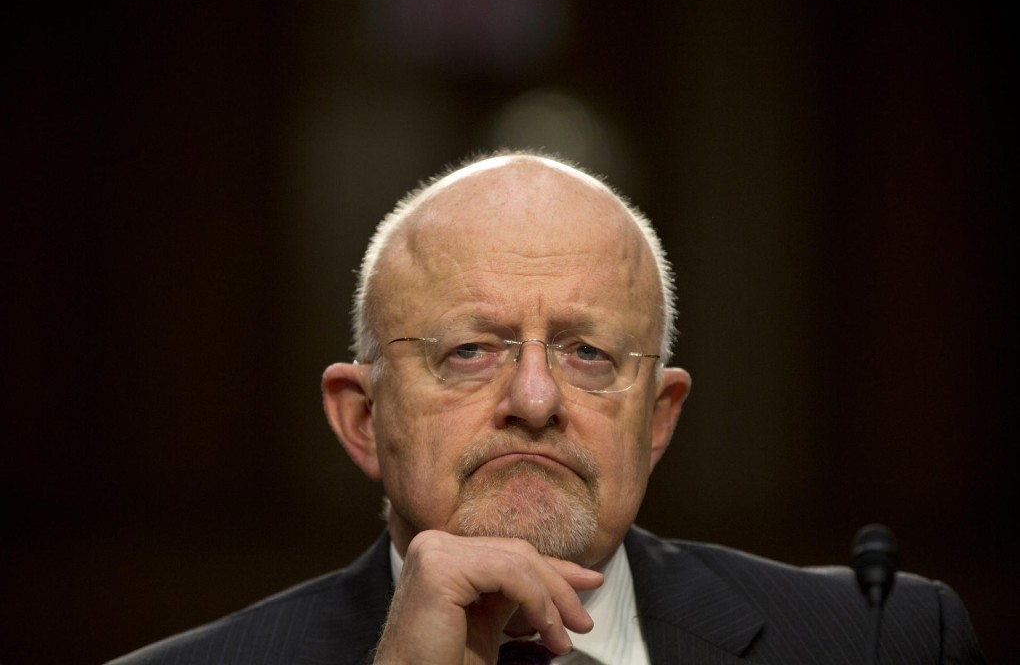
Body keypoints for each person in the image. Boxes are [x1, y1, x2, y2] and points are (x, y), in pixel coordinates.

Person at [108, 152, 986, 664]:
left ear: (658, 421)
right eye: (470, 350)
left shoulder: (886, 643)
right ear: (362, 419)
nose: (535, 400)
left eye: (587, 353)